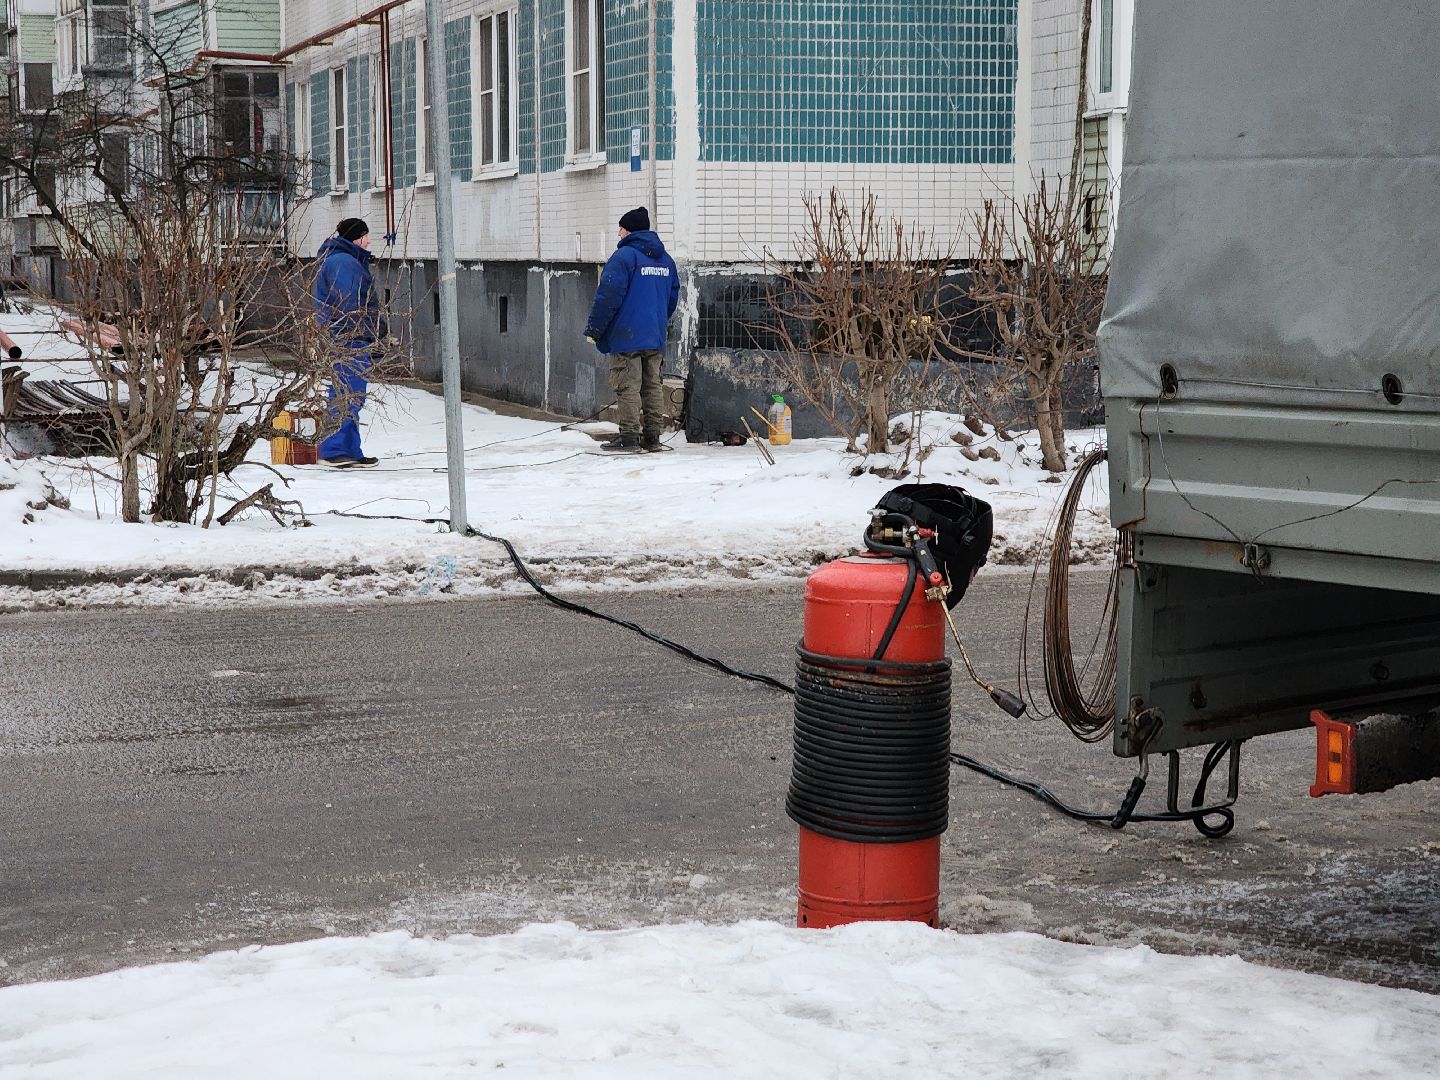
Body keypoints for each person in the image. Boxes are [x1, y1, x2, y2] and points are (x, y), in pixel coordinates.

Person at [584, 207, 680, 452]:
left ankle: (629, 438)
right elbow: (672, 298)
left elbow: (607, 297)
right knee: (652, 386)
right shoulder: (666, 260)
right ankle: (653, 438)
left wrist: (595, 329)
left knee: (627, 385)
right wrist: (656, 321)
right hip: (654, 335)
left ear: (630, 231)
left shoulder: (624, 257)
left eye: (621, 228)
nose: (619, 233)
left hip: (626, 335)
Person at [314, 217, 385, 468]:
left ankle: (350, 450)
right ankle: (333, 450)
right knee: (346, 394)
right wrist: (368, 333)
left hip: (348, 336)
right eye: (365, 236)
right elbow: (351, 304)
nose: (369, 241)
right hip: (348, 337)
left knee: (353, 394)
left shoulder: (343, 260)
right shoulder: (343, 263)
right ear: (356, 238)